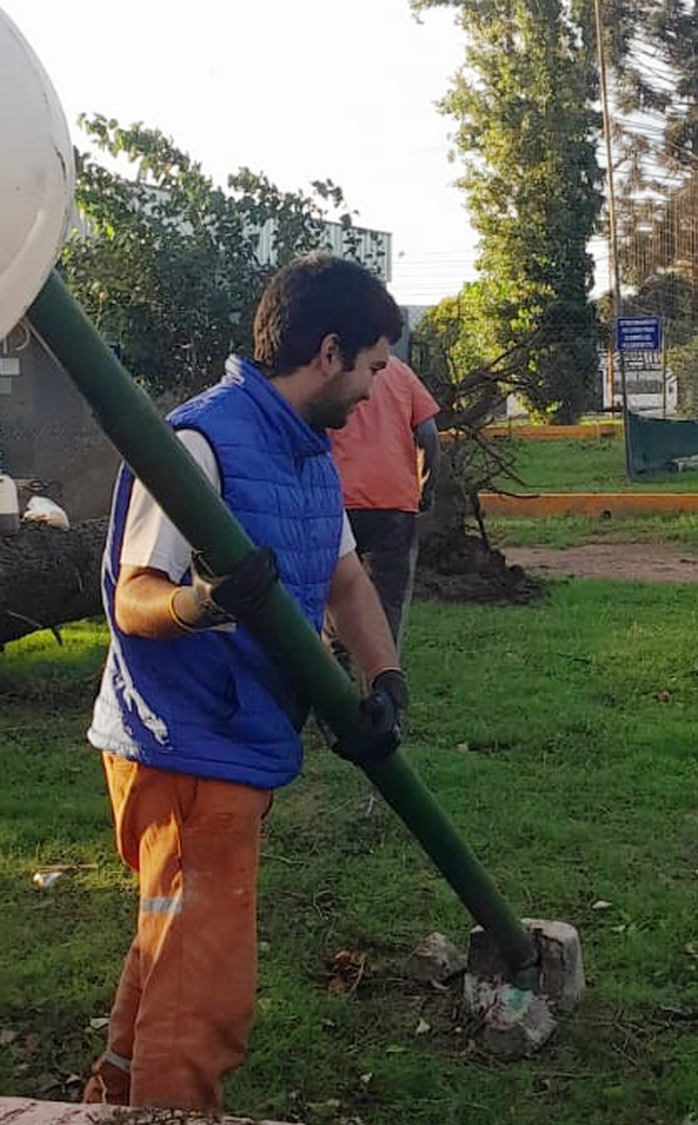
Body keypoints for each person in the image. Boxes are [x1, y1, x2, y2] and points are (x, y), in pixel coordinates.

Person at [82, 254, 409, 1112]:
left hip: (235, 743)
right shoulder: (197, 443)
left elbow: (343, 580)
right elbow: (134, 595)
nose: (378, 392)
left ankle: (113, 1096)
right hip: (184, 745)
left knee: (172, 939)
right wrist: (203, 600)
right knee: (204, 992)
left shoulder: (306, 457)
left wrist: (386, 676)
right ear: (329, 352)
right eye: (374, 367)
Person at [327, 355, 441, 651]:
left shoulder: (328, 368)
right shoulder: (399, 370)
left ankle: (333, 673)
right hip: (394, 503)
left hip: (336, 501)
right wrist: (425, 489)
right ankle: (383, 683)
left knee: (333, 598)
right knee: (388, 604)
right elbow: (428, 434)